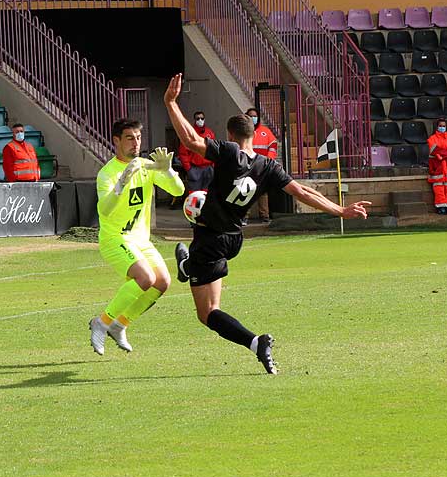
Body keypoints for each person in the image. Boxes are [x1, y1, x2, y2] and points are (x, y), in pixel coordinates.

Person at [165, 74, 371, 374]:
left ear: (230, 134)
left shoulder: (228, 151)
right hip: (234, 239)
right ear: (253, 134)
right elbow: (302, 191)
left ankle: (255, 341)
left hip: (211, 238)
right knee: (198, 272)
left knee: (207, 313)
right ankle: (187, 266)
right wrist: (339, 209)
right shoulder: (267, 166)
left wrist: (171, 103)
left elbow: (190, 140)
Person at [90, 119, 184, 355]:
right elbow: (105, 210)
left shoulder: (145, 165)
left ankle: (120, 324)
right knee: (145, 278)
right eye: (130, 138)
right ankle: (101, 323)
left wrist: (167, 170)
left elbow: (178, 191)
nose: (136, 143)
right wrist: (121, 183)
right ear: (117, 140)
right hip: (115, 239)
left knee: (162, 282)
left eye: (138, 137)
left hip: (140, 239)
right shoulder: (107, 173)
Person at [247, 107, 278, 223]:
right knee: (247, 191)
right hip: (248, 166)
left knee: (263, 192)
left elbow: (273, 145)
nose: (253, 118)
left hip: (262, 166)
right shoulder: (244, 132)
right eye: (250, 116)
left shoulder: (265, 131)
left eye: (255, 116)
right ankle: (244, 216)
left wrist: (269, 160)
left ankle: (264, 216)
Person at [178, 110, 215, 196]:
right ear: (194, 120)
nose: (200, 120)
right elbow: (183, 153)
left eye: (202, 118)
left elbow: (214, 150)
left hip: (208, 168)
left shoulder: (209, 133)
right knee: (194, 194)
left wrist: (213, 165)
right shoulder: (190, 134)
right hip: (195, 168)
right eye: (198, 118)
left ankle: (206, 209)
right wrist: (189, 168)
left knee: (208, 193)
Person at [427, 118, 447, 214]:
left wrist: (441, 155)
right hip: (437, 166)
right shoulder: (431, 138)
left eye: (444, 126)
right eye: (440, 126)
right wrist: (445, 153)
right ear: (437, 127)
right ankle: (440, 207)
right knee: (438, 187)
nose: (442, 127)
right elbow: (433, 150)